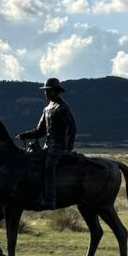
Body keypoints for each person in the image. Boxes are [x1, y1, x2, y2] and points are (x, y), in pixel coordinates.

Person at [19, 78, 77, 209]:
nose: (45, 93)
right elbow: (40, 131)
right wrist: (26, 135)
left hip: (58, 147)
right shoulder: (47, 109)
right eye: (45, 90)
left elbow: (71, 127)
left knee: (49, 166)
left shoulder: (62, 108)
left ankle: (50, 199)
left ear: (56, 91)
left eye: (48, 90)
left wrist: (68, 148)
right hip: (47, 147)